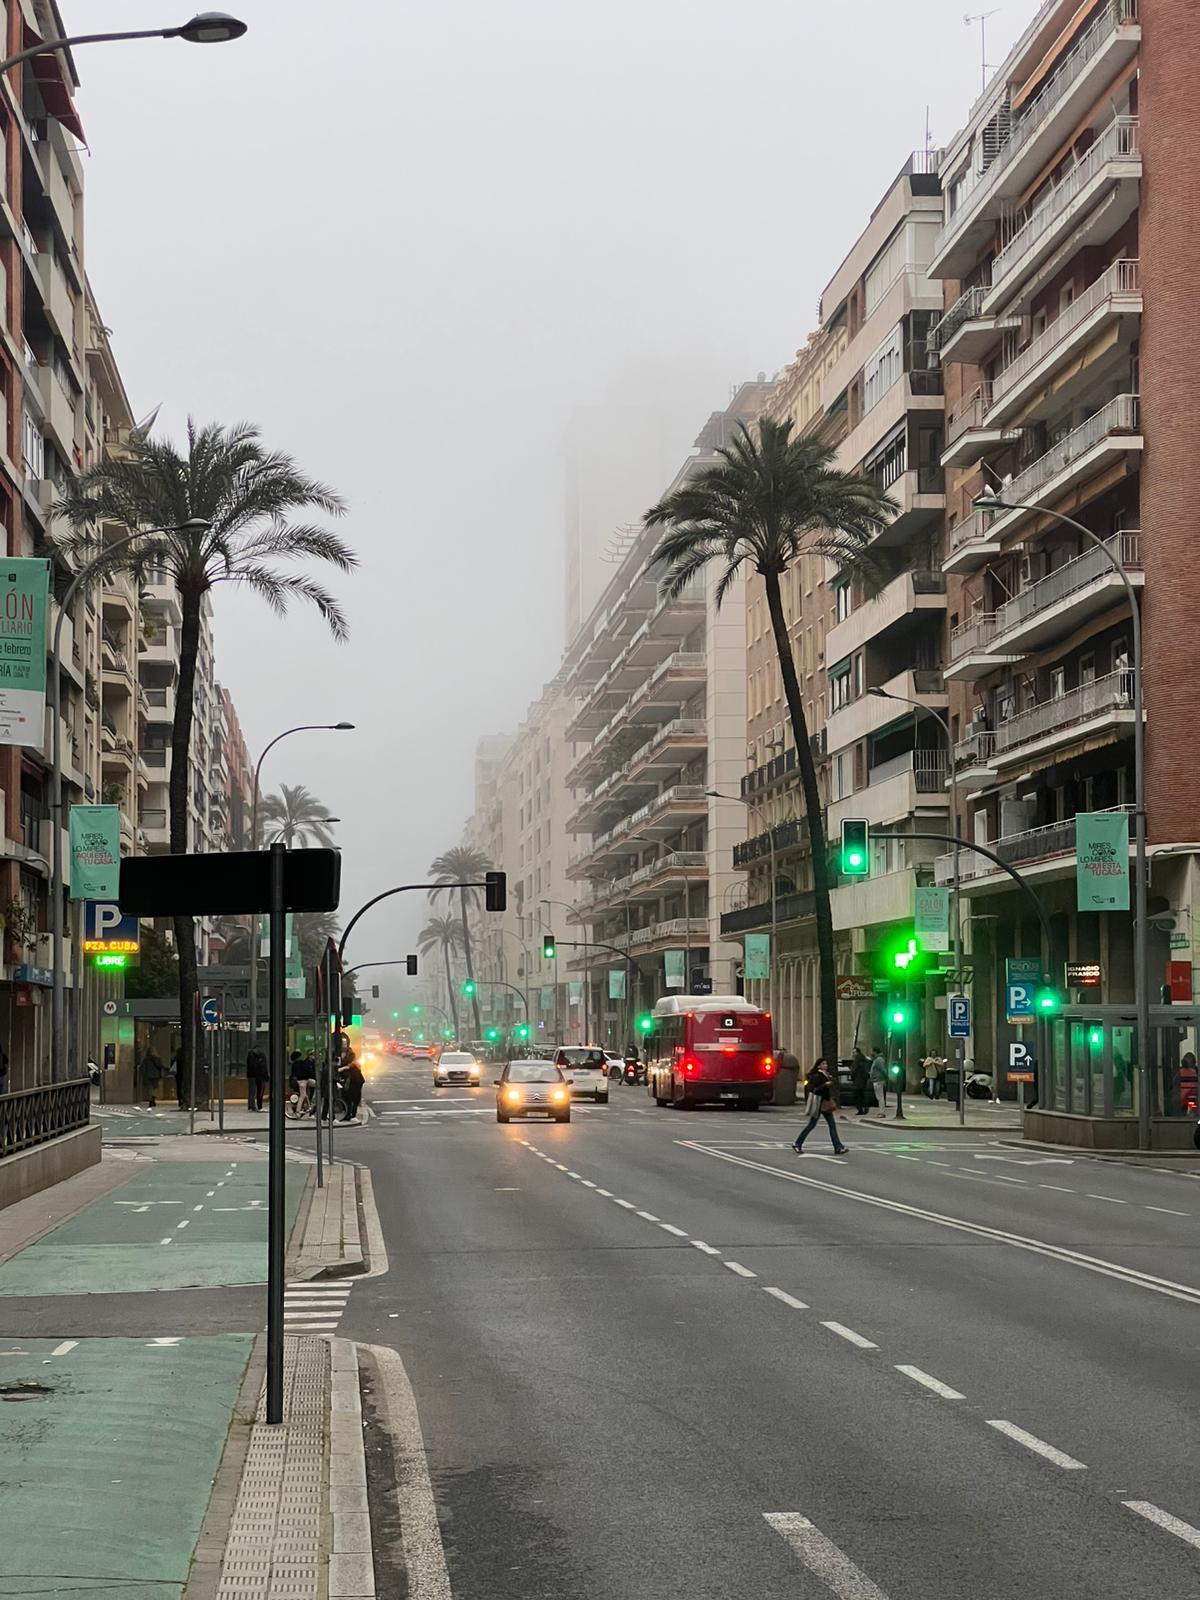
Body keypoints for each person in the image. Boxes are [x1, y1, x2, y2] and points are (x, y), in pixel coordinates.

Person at [793, 1058, 848, 1155]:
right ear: (818, 1066)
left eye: (826, 1063)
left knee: (831, 1125)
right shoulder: (817, 1076)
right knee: (812, 1125)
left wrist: (830, 1081)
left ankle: (838, 1146)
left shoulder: (826, 1075)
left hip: (825, 1104)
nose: (826, 1065)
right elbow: (815, 1089)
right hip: (819, 1103)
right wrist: (825, 1085)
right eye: (823, 1064)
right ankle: (797, 1143)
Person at [340, 1051, 364, 1122]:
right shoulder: (354, 1067)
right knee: (354, 1102)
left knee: (348, 1102)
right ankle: (352, 1116)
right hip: (354, 1087)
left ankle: (348, 1115)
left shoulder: (346, 1066)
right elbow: (359, 1079)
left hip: (349, 1087)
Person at [246, 1044, 268, 1112]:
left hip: (251, 1075)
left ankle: (251, 1106)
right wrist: (265, 1075)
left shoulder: (250, 1055)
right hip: (258, 1076)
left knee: (252, 1091)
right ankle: (257, 1106)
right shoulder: (260, 1056)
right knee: (258, 1091)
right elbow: (263, 1067)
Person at [850, 1047, 872, 1116]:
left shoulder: (858, 1061)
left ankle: (860, 1109)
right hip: (861, 1081)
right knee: (861, 1095)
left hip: (858, 1081)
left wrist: (853, 1077)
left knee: (857, 1095)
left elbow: (853, 1071)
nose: (853, 1054)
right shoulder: (863, 1060)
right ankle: (864, 1108)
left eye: (854, 1052)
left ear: (857, 1052)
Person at [869, 1045, 888, 1111]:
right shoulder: (877, 1059)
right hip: (876, 1080)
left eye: (871, 1051)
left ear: (875, 1052)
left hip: (878, 1080)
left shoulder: (879, 1060)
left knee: (880, 1097)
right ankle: (881, 1110)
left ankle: (882, 1111)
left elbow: (883, 1070)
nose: (870, 1053)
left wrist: (886, 1078)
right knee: (879, 1097)